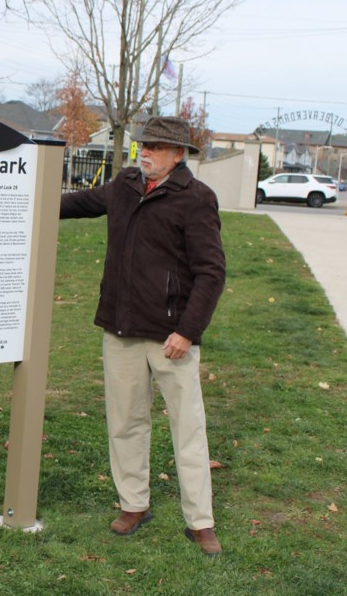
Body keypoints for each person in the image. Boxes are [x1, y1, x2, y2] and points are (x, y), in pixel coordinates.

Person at [59, 116, 226, 556]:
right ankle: (134, 504)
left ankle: (200, 521)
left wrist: (187, 331)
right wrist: (25, 198)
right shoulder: (125, 185)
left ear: (178, 154)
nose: (144, 152)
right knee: (125, 423)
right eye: (142, 144)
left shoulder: (196, 198)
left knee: (187, 428)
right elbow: (76, 203)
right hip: (121, 328)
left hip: (171, 335)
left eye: (154, 146)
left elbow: (211, 272)